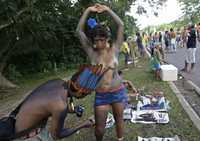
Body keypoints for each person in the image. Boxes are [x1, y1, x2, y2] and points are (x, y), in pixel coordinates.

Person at [76, 3, 126, 141]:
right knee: (99, 128)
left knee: (119, 120)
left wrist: (108, 10)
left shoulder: (115, 49)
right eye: (95, 40)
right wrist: (87, 10)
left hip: (118, 92)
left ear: (107, 39)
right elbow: (79, 31)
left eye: (101, 40)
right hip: (101, 95)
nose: (97, 43)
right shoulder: (92, 53)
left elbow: (121, 25)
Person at [11, 79, 94, 141]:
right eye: (87, 93)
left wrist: (72, 109)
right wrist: (83, 124)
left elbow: (47, 104)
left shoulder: (58, 82)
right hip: (26, 137)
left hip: (19, 124)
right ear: (80, 92)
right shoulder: (61, 106)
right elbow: (57, 135)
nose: (87, 95)